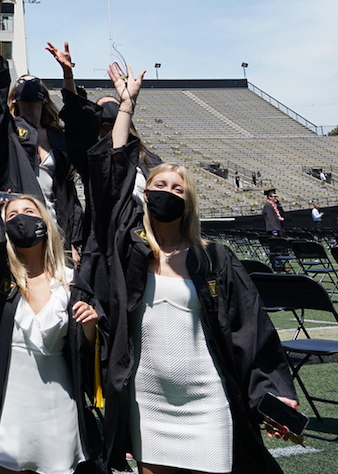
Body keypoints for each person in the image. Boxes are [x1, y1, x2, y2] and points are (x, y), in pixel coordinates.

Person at [93, 63, 298, 474]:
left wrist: (274, 392)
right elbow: (111, 180)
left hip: (208, 400)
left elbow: (252, 329)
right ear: (144, 193)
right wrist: (126, 107)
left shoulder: (215, 259)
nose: (167, 192)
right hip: (147, 399)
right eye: (159, 186)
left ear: (188, 202)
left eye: (177, 188)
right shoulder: (130, 249)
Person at [0, 127, 102, 474]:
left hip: (57, 408)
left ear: (46, 224)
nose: (22, 218)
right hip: (8, 407)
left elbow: (85, 348)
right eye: (13, 215)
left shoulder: (71, 281)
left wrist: (91, 327)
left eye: (30, 213)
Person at [0, 0, 82, 245]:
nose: (29, 82)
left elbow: (78, 116)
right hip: (19, 231)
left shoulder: (59, 137)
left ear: (44, 96)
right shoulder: (7, 133)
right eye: (22, 81)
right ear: (14, 97)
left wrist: (68, 73)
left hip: (59, 230)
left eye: (35, 81)